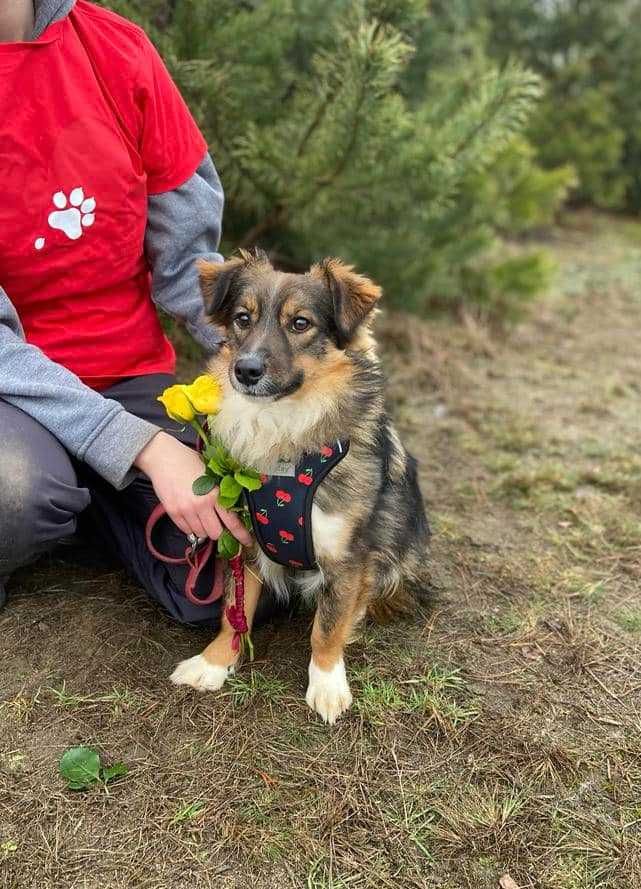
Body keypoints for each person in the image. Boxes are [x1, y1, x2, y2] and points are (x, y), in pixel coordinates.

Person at [0, 0, 253, 625]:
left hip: (130, 376)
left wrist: (273, 359)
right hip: (13, 392)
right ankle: (70, 490)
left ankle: (90, 498)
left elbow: (187, 270)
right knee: (14, 496)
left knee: (244, 566)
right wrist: (146, 449)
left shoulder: (118, 51)